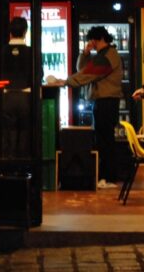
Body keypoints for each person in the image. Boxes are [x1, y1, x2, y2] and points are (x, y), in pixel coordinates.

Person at [57, 26, 123, 189]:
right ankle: (106, 176)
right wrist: (85, 53)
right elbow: (83, 69)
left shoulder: (108, 55)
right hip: (103, 100)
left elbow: (88, 74)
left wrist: (67, 81)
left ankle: (109, 177)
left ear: (99, 39)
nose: (91, 43)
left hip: (107, 101)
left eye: (92, 40)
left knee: (105, 140)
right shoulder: (103, 54)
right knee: (103, 139)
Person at [0, 17, 33, 158]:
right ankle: (22, 163)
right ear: (25, 32)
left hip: (7, 96)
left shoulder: (3, 51)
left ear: (10, 32)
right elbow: (39, 74)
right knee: (24, 132)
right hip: (26, 96)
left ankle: (9, 163)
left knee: (8, 132)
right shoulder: (31, 51)